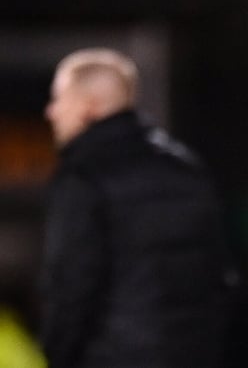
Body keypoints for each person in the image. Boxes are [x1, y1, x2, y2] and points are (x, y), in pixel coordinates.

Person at [39, 48, 237, 368]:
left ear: (89, 106)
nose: (52, 111)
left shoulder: (84, 174)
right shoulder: (185, 168)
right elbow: (219, 276)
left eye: (60, 98)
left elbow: (71, 288)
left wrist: (55, 356)